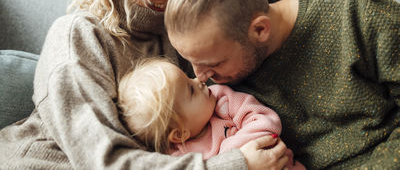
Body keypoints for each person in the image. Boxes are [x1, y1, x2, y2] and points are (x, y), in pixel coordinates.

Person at [0, 0, 389, 169]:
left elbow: (232, 11)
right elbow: (105, 160)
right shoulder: (78, 37)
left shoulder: (169, 30)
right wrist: (236, 164)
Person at [164, 0, 400, 169]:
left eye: (213, 63)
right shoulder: (219, 78)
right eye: (191, 62)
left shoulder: (353, 9)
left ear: (260, 30)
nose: (201, 77)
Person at [118, 57, 306, 169]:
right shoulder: (178, 159)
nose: (198, 80)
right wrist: (232, 161)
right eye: (190, 90)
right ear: (180, 134)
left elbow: (266, 122)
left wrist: (231, 155)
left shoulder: (221, 99)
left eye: (188, 78)